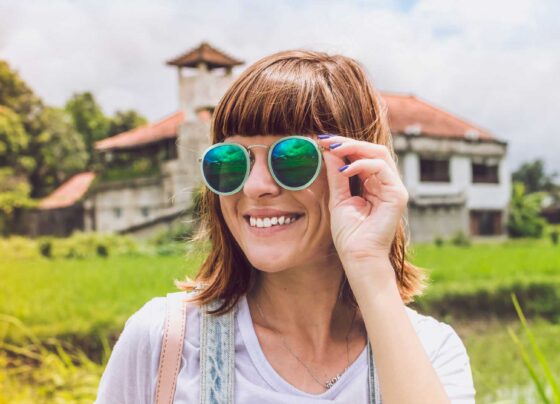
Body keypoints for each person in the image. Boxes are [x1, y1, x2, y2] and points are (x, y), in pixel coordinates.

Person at [96, 49, 475, 403]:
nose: (255, 186)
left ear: (358, 171)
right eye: (231, 161)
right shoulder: (165, 341)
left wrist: (371, 268)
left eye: (292, 159)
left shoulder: (429, 351)